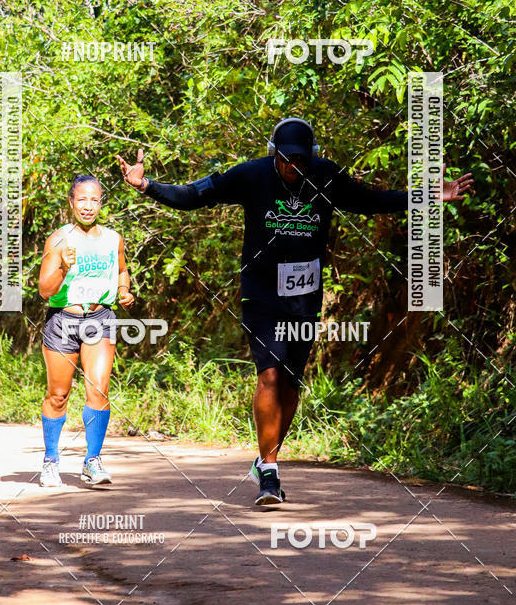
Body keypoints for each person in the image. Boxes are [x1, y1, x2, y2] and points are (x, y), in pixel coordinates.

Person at [117, 118, 474, 505]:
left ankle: (266, 458)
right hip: (261, 291)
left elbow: (372, 201)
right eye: (286, 160)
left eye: (300, 161)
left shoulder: (325, 175)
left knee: (291, 380)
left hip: (304, 295)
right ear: (274, 154)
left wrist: (427, 196)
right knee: (269, 373)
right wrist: (147, 185)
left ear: (312, 157)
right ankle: (269, 470)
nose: (293, 167)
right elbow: (195, 195)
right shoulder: (251, 175)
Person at [38, 174, 134, 487]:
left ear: (101, 203)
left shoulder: (113, 238)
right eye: (82, 199)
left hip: (100, 318)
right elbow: (44, 290)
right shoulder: (58, 240)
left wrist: (124, 290)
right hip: (63, 319)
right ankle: (51, 460)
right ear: (71, 202)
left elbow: (122, 270)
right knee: (58, 395)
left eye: (94, 200)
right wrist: (63, 267)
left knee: (98, 389)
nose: (88, 206)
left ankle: (92, 461)